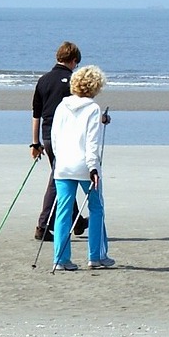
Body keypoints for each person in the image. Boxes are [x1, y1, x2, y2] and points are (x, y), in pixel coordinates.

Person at [50, 65, 115, 271]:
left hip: (63, 165)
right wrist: (93, 167)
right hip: (85, 166)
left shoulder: (62, 106)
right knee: (96, 208)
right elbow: (92, 142)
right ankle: (95, 256)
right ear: (95, 86)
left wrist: (59, 159)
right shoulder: (93, 108)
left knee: (63, 211)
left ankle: (60, 259)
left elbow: (54, 137)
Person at [31, 42, 87, 241]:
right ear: (73, 61)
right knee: (58, 178)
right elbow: (80, 109)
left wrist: (35, 142)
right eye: (76, 64)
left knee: (64, 175)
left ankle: (77, 221)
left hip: (46, 136)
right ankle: (43, 224)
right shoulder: (72, 81)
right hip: (64, 137)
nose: (76, 67)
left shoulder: (43, 80)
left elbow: (36, 113)